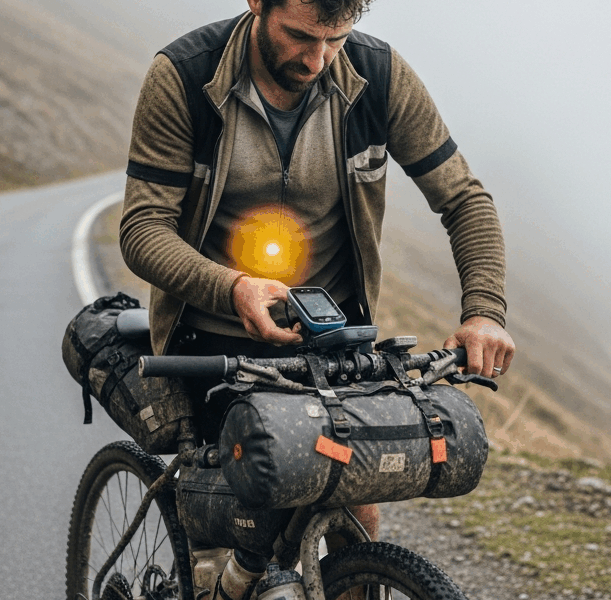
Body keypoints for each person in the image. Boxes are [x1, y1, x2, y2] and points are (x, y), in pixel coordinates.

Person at [119, 0, 515, 572]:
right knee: (228, 540)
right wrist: (233, 289)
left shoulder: (379, 75)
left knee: (356, 508)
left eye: (337, 39)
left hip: (333, 337)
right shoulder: (184, 76)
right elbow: (142, 229)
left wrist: (484, 312)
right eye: (301, 36)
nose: (318, 60)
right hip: (211, 335)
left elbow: (464, 199)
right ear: (257, 3)